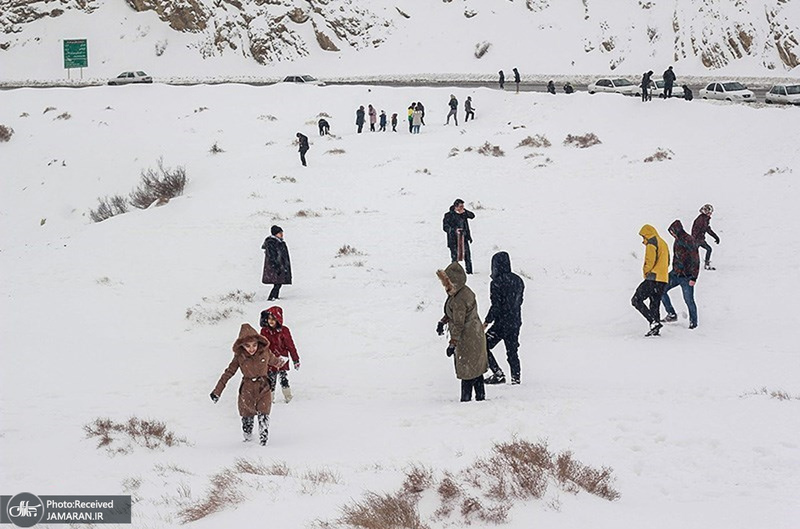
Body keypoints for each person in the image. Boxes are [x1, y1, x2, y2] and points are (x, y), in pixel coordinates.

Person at [210, 323, 287, 445]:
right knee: (247, 418)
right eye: (248, 346)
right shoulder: (239, 357)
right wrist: (217, 392)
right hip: (247, 390)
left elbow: (275, 361)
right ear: (242, 346)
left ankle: (263, 442)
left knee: (264, 414)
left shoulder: (265, 352)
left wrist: (281, 362)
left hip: (264, 388)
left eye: (254, 345)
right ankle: (248, 440)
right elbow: (228, 373)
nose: (252, 348)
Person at [436, 262, 488, 402]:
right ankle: (480, 399)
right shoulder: (462, 291)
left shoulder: (460, 298)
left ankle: (466, 401)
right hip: (475, 334)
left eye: (446, 282)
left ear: (455, 282)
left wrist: (452, 343)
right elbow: (454, 313)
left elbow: (459, 323)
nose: (444, 286)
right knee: (476, 369)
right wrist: (443, 321)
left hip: (468, 338)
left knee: (467, 371)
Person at [483, 252, 524, 385]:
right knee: (512, 351)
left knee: (483, 346)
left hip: (501, 324)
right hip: (515, 321)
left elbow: (496, 306)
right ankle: (516, 378)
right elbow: (519, 301)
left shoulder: (496, 283)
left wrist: (487, 321)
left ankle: (498, 373)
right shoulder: (518, 281)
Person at [631, 224, 670, 336]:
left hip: (653, 278)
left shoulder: (652, 242)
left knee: (636, 300)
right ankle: (655, 328)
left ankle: (653, 322)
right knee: (654, 303)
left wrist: (646, 273)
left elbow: (649, 260)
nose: (643, 240)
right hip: (663, 279)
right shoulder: (663, 243)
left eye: (643, 237)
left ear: (647, 234)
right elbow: (668, 262)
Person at [661, 220, 700, 329]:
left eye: (672, 232)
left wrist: (694, 277)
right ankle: (671, 314)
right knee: (661, 289)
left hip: (687, 277)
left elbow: (695, 260)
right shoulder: (677, 240)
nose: (672, 234)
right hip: (675, 274)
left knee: (689, 300)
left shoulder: (689, 240)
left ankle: (693, 322)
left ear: (677, 230)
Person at [260, 306, 300, 403]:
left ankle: (288, 396)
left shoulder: (284, 330)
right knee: (270, 379)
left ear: (278, 319)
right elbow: (261, 346)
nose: (271, 321)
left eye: (274, 319)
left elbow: (290, 345)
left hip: (282, 359)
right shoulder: (264, 331)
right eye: (269, 319)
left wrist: (296, 359)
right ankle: (270, 399)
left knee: (283, 378)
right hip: (270, 359)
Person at [442, 199, 474, 274]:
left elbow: (472, 216)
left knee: (467, 256)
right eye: (460, 206)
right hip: (453, 240)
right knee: (454, 257)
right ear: (456, 207)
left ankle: (469, 271)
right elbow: (445, 227)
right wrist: (454, 230)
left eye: (463, 206)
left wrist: (465, 212)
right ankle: (455, 272)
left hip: (464, 238)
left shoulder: (464, 214)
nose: (462, 207)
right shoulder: (448, 215)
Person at [261, 225, 292, 301]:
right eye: (279, 233)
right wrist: (276, 266)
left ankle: (275, 296)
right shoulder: (272, 243)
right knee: (277, 283)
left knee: (279, 282)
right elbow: (272, 256)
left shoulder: (280, 242)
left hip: (280, 265)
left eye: (282, 232)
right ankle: (272, 297)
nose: (282, 234)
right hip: (275, 266)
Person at [692, 204, 720, 270]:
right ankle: (692, 266)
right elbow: (696, 230)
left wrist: (716, 237)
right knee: (694, 253)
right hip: (697, 240)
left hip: (700, 239)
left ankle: (706, 264)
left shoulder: (705, 219)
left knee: (709, 249)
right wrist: (694, 240)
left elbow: (707, 229)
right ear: (706, 212)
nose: (711, 214)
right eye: (710, 212)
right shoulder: (701, 219)